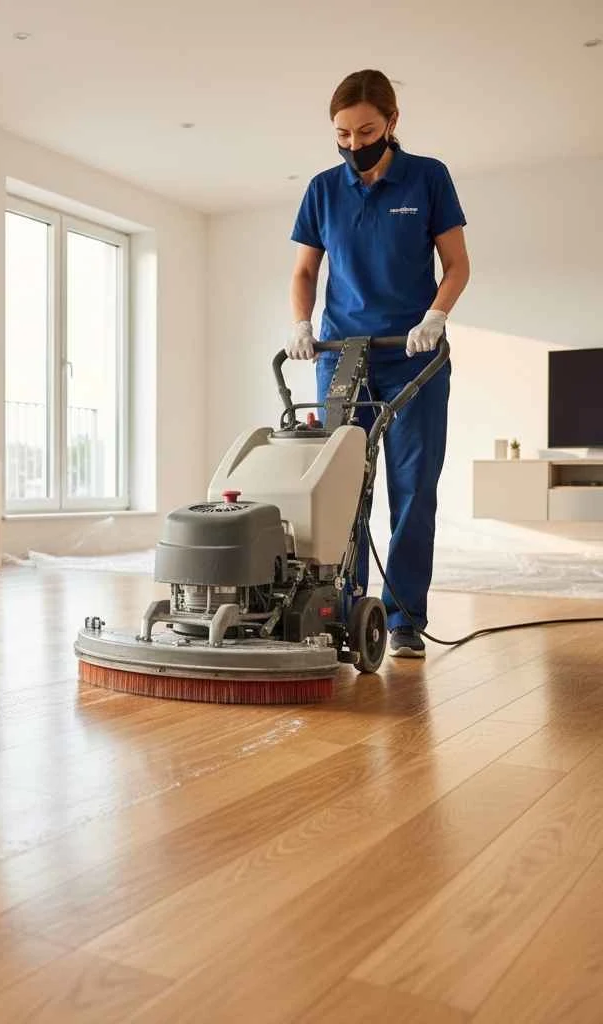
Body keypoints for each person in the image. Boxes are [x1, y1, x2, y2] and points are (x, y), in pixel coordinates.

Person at [286, 68, 470, 658]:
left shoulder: (429, 177)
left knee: (413, 487)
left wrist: (434, 318)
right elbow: (305, 271)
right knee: (343, 489)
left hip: (412, 356)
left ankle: (403, 619)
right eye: (341, 133)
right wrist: (300, 324)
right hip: (342, 358)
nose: (353, 144)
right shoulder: (322, 189)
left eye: (365, 130)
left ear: (391, 122)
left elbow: (457, 265)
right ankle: (344, 611)